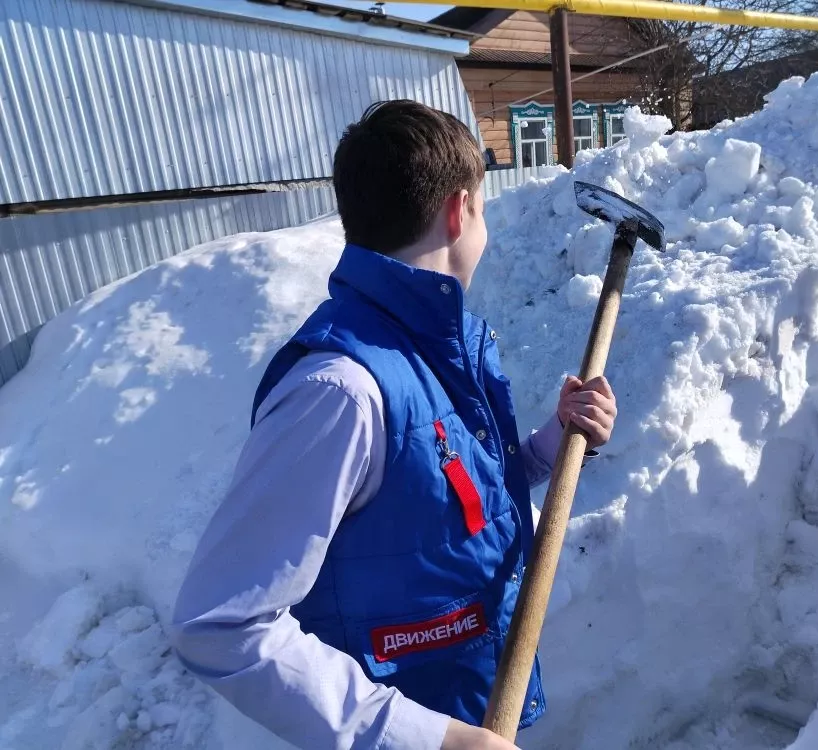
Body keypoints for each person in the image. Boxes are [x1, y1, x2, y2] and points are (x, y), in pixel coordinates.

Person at [170, 100, 618, 750]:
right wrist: (430, 739)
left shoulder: (442, 350)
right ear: (459, 210)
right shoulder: (340, 390)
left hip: (467, 697)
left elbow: (449, 510)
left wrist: (557, 438)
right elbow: (220, 623)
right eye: (485, 211)